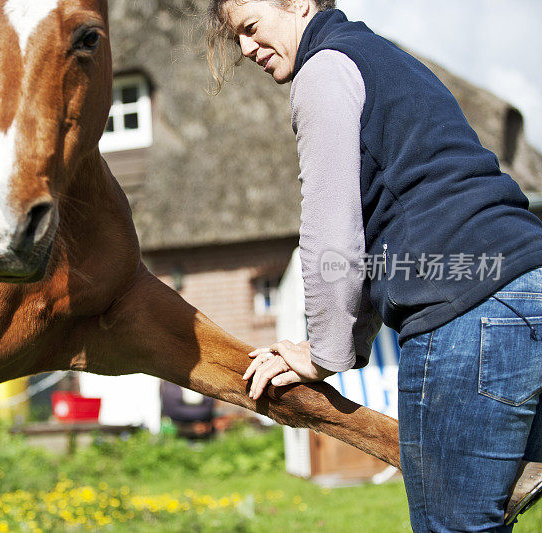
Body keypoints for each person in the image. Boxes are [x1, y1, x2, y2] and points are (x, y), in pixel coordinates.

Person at [205, 0, 542, 530]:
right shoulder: (386, 58)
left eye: (250, 28)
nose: (246, 49)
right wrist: (351, 346)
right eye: (237, 39)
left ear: (297, 3)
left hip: (468, 311)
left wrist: (321, 354)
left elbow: (331, 231)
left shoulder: (324, 69)